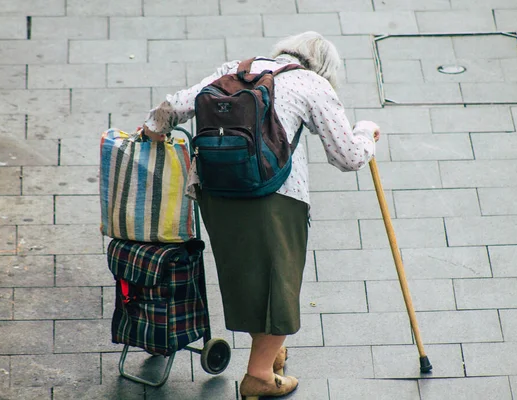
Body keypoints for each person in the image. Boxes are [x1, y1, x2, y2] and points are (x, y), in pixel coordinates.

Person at [143, 31, 380, 399]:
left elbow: (174, 105)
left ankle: (268, 355)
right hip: (276, 196)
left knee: (251, 278)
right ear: (323, 67)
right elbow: (346, 155)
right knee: (279, 285)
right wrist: (367, 134)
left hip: (216, 195)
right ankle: (259, 377)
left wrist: (151, 129)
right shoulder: (311, 84)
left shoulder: (235, 70)